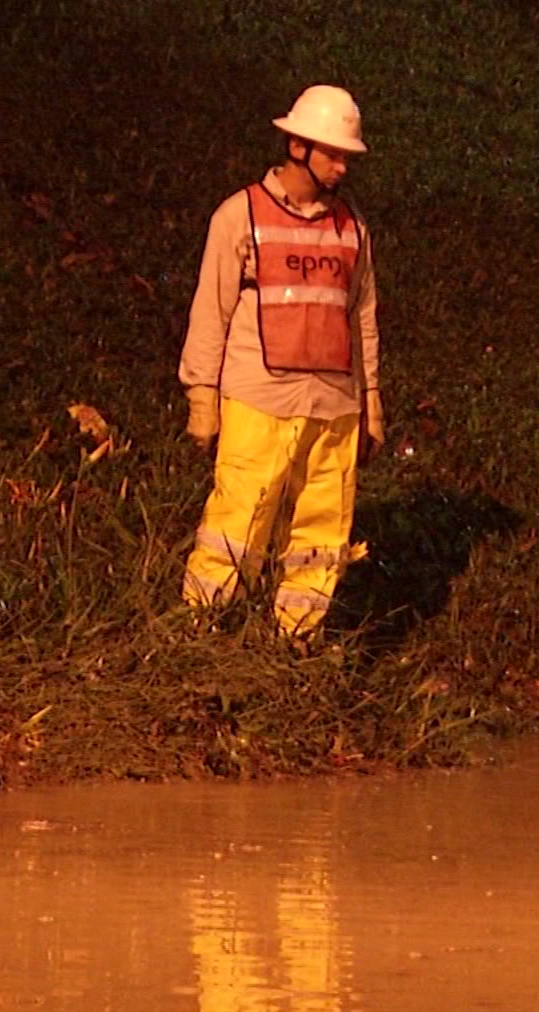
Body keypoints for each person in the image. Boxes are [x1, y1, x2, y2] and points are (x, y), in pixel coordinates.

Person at [179, 85, 384, 639]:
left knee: (322, 533)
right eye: (332, 153)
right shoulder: (239, 215)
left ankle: (298, 639)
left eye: (347, 156)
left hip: (334, 405)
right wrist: (202, 394)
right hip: (258, 398)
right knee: (238, 521)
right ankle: (202, 631)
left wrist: (371, 403)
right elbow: (212, 308)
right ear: (297, 146)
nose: (342, 167)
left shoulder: (353, 228)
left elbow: (361, 315)